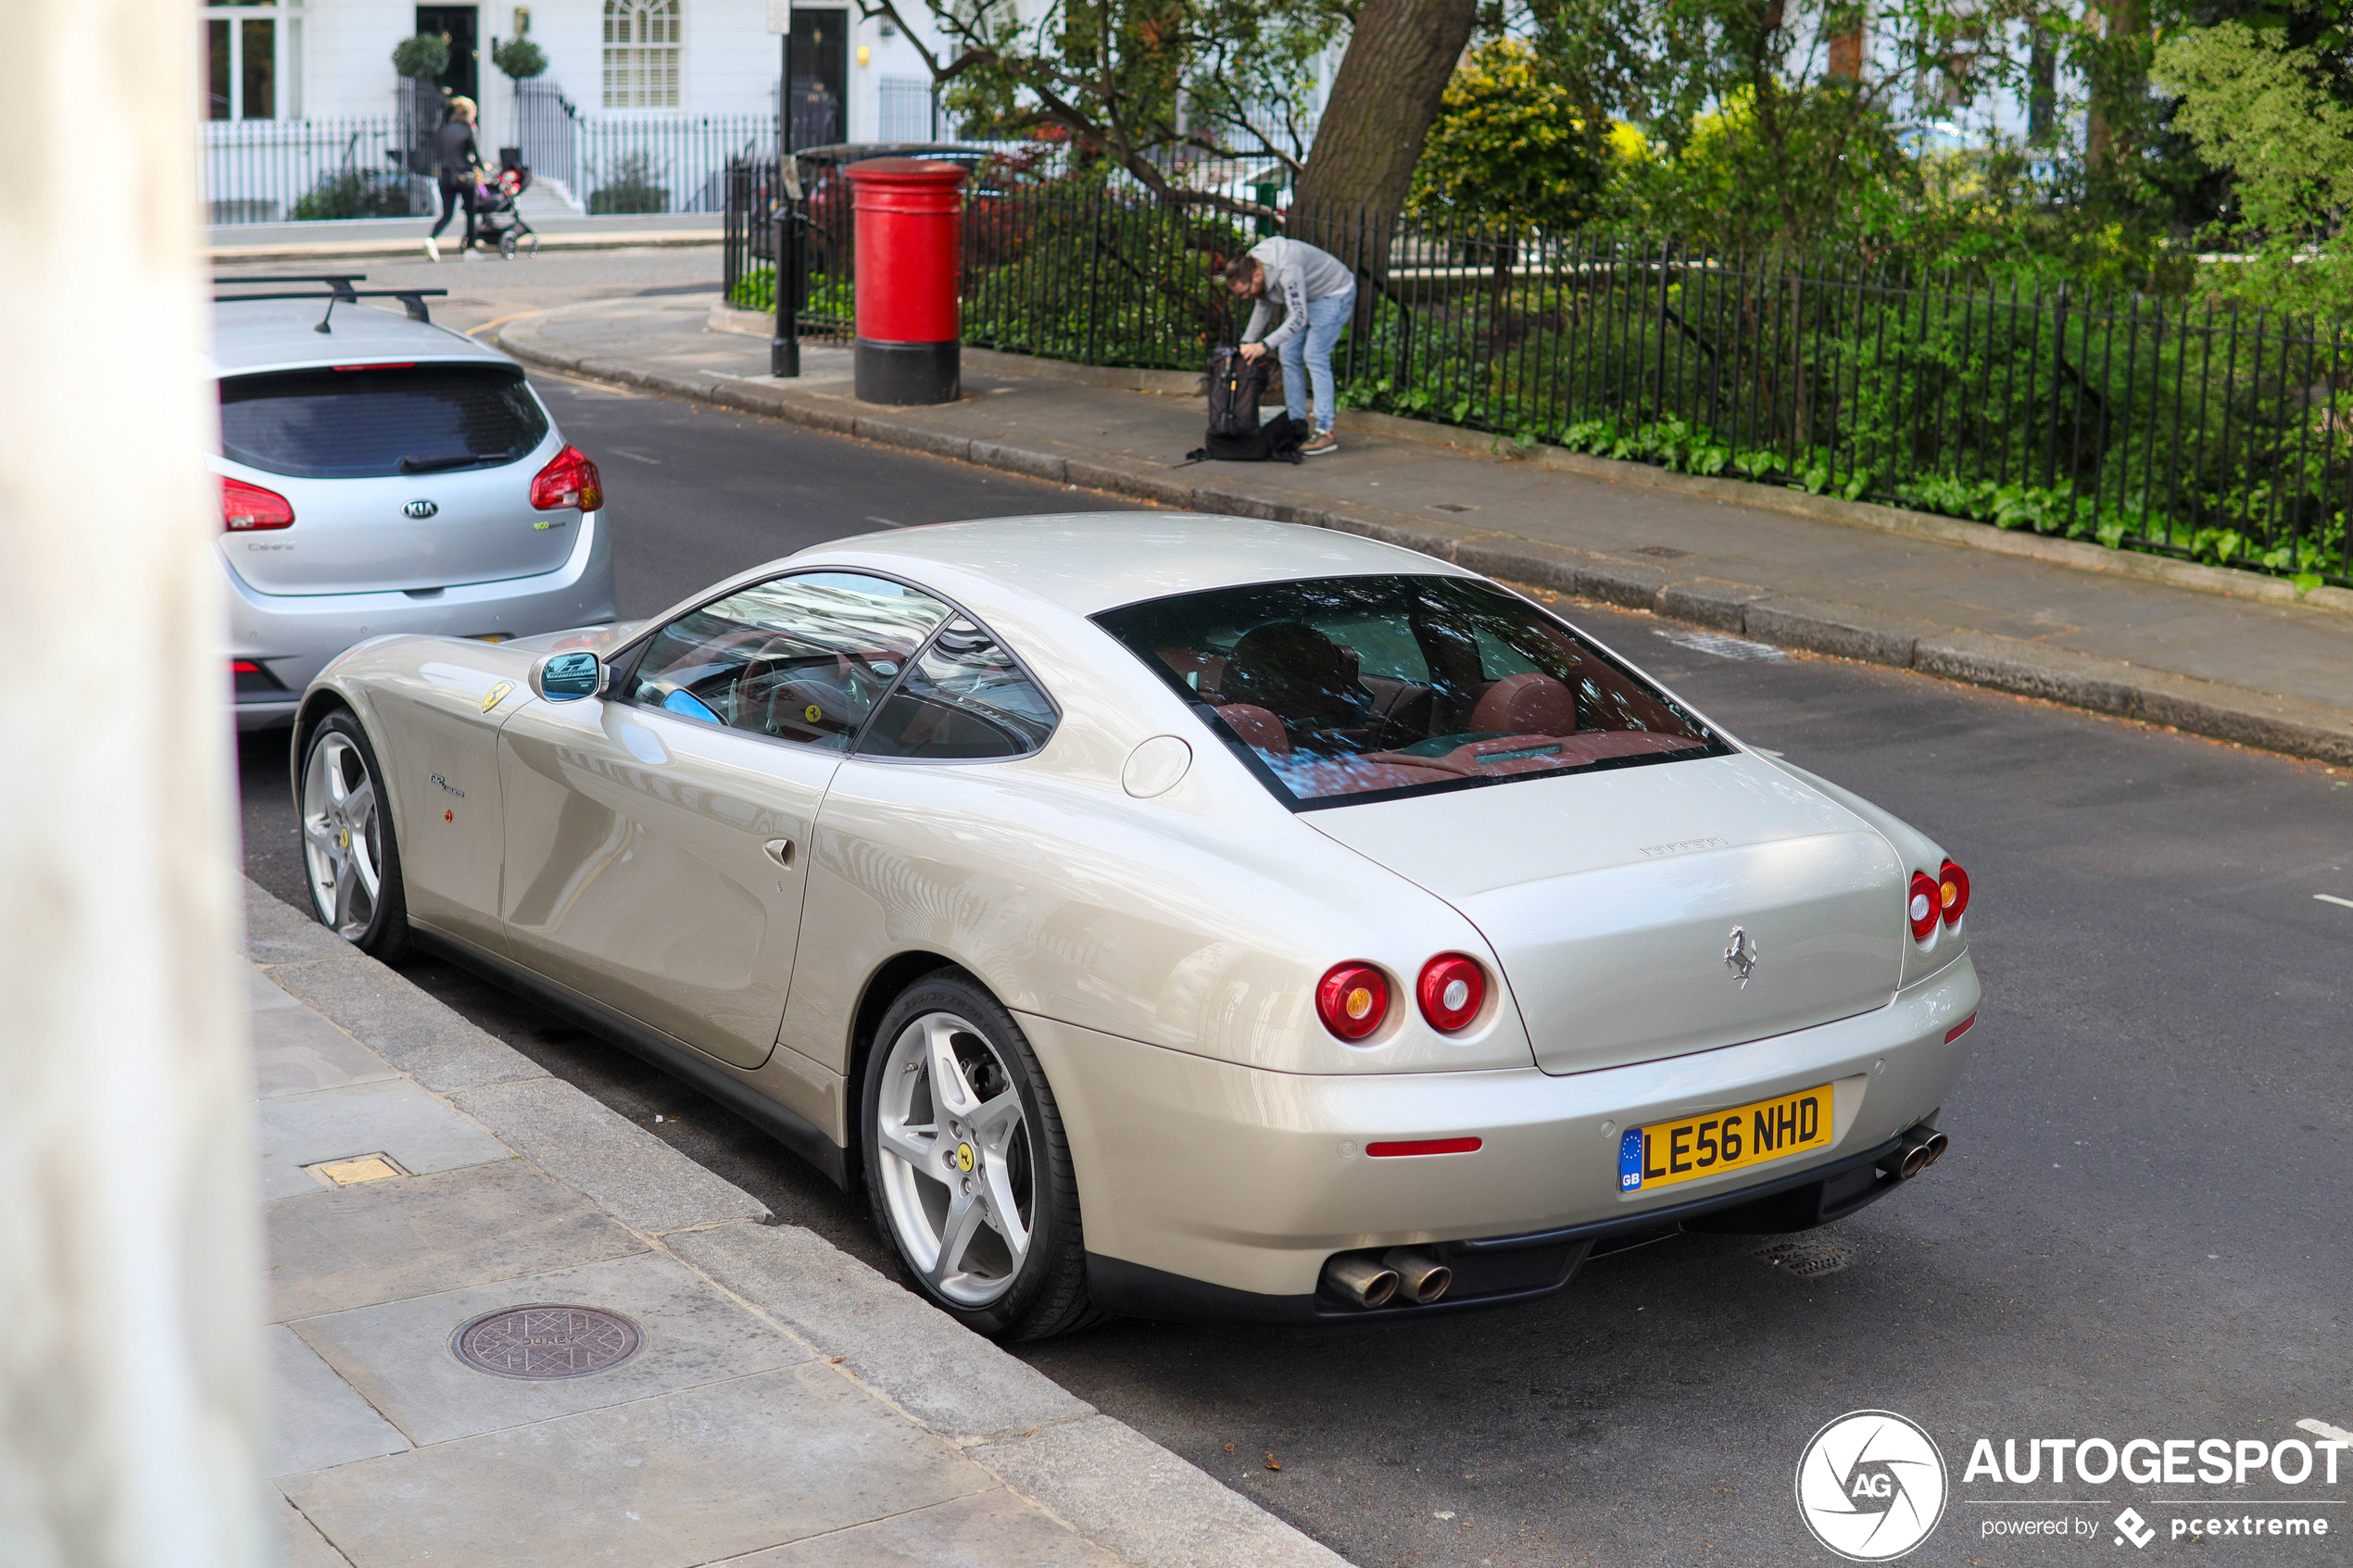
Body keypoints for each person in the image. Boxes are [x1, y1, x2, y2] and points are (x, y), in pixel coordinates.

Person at [1224, 235, 1357, 457]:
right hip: (1308, 296)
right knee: (1288, 353)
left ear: (1256, 274)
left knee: (1314, 355)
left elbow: (1298, 317)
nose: (1246, 296)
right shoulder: (1254, 264)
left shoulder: (1286, 268)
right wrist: (1246, 343)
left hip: (1333, 294)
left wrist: (1264, 345)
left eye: (1247, 291)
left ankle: (1325, 431)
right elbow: (1263, 305)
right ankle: (1297, 425)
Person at [424, 97, 484, 262]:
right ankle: (470, 248)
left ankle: (431, 239)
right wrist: (482, 166)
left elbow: (439, 152)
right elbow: (476, 154)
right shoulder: (469, 129)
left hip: (445, 176)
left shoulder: (444, 129)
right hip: (464, 176)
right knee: (471, 213)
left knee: (447, 214)